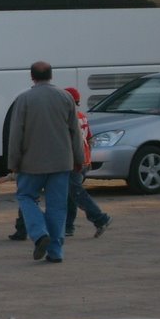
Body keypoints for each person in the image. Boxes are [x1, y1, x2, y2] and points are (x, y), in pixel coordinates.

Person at [6, 61, 84, 263]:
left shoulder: (24, 99)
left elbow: (16, 134)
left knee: (26, 196)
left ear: (32, 77)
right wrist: (79, 159)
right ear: (51, 76)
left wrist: (13, 163)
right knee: (58, 207)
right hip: (61, 162)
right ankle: (56, 252)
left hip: (31, 163)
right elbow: (75, 132)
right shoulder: (65, 97)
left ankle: (40, 234)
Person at [63, 87, 113, 238]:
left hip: (74, 162)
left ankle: (100, 218)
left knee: (77, 193)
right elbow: (89, 139)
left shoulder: (68, 118)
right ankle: (68, 226)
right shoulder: (82, 116)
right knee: (70, 194)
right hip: (84, 160)